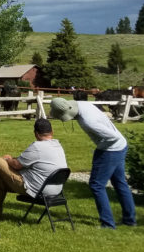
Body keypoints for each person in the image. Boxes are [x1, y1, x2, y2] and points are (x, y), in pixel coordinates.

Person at [50, 97, 136, 228]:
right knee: (120, 183)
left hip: (110, 149)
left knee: (96, 185)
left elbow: (113, 137)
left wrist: (100, 149)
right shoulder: (82, 104)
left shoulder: (88, 121)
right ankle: (130, 220)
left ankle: (107, 224)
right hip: (121, 146)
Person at [0, 117, 68, 218]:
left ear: (35, 133)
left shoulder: (37, 147)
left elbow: (16, 165)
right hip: (56, 189)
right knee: (0, 180)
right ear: (52, 132)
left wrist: (8, 159)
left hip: (38, 190)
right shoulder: (58, 145)